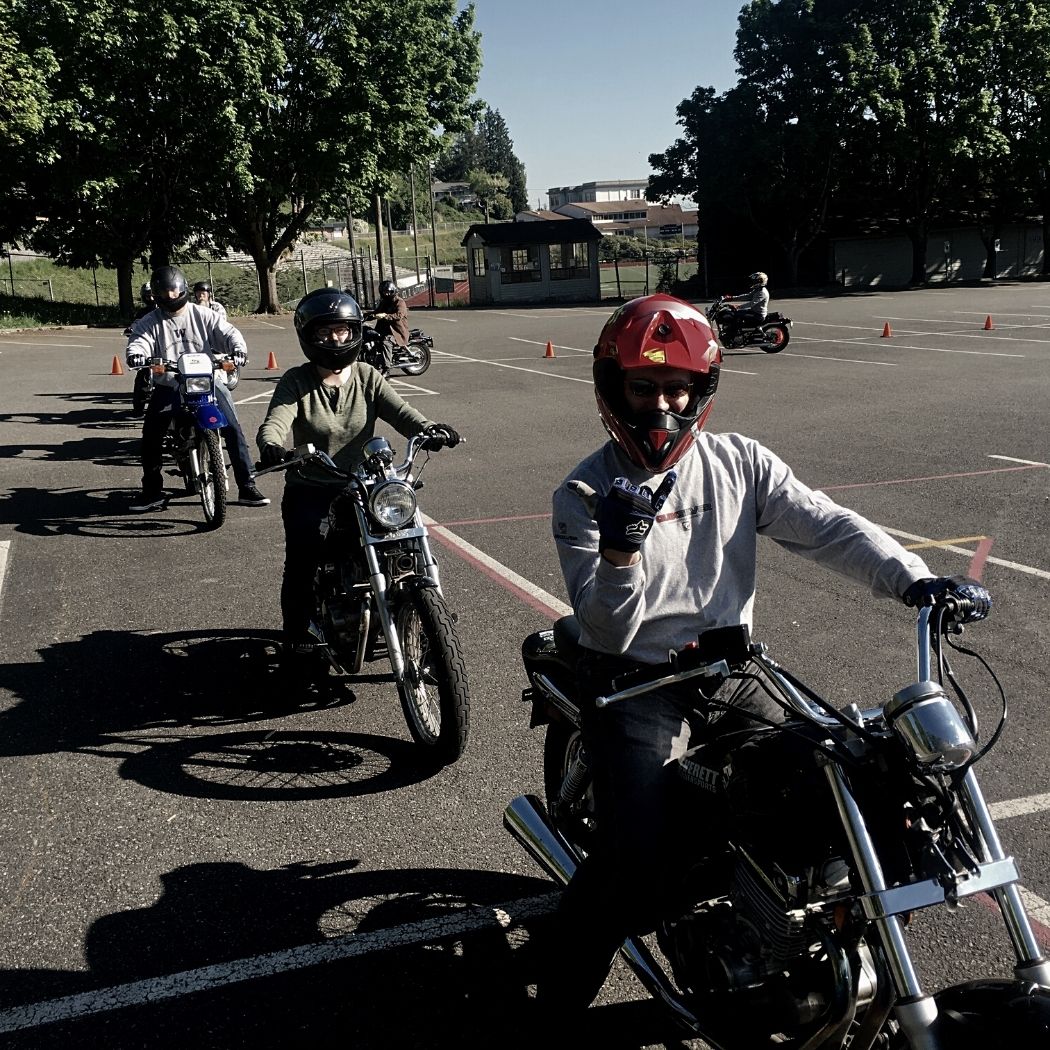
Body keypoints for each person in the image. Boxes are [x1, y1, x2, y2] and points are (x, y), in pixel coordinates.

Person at [540, 293, 991, 1013]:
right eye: (644, 388)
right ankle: (555, 995)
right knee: (642, 864)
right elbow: (607, 632)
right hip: (635, 684)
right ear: (612, 390)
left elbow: (827, 525)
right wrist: (622, 553)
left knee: (836, 781)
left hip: (732, 671)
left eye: (678, 388)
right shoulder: (585, 492)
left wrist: (916, 580)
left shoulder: (738, 462)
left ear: (702, 392)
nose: (663, 406)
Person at [255, 288, 460, 666]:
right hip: (313, 487)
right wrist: (272, 446)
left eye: (343, 330)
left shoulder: (367, 376)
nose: (336, 339)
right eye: (325, 332)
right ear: (308, 336)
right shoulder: (296, 382)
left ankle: (430, 621)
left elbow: (402, 412)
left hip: (366, 486)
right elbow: (275, 422)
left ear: (355, 332)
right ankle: (297, 633)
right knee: (302, 559)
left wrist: (431, 429)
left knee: (407, 544)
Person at [125, 265, 269, 511]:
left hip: (208, 380)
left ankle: (247, 486)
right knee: (151, 435)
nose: (171, 295)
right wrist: (137, 355)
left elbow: (228, 332)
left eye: (174, 289)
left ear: (183, 288)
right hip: (170, 383)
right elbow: (138, 342)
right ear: (156, 294)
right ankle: (152, 490)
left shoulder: (203, 314)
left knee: (233, 429)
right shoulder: (150, 322)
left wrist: (238, 350)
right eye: (165, 291)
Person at [365, 279, 410, 372]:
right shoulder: (384, 302)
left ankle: (386, 369)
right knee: (368, 333)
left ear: (393, 291)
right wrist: (365, 315)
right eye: (384, 292)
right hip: (383, 329)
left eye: (388, 292)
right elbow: (376, 312)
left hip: (396, 332)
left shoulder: (399, 302)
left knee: (386, 342)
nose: (386, 294)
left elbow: (399, 315)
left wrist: (385, 316)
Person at [718, 269, 770, 344]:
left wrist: (738, 307)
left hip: (758, 315)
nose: (753, 282)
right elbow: (747, 296)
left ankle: (734, 336)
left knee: (736, 316)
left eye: (755, 281)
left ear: (760, 281)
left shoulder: (762, 292)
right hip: (753, 312)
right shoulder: (757, 290)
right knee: (733, 313)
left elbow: (752, 303)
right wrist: (731, 298)